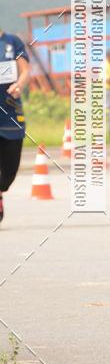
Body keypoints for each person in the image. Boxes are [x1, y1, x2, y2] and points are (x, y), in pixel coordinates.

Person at [0, 29, 30, 225]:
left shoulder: (12, 41)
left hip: (10, 111)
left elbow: (25, 70)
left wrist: (19, 84)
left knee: (11, 167)